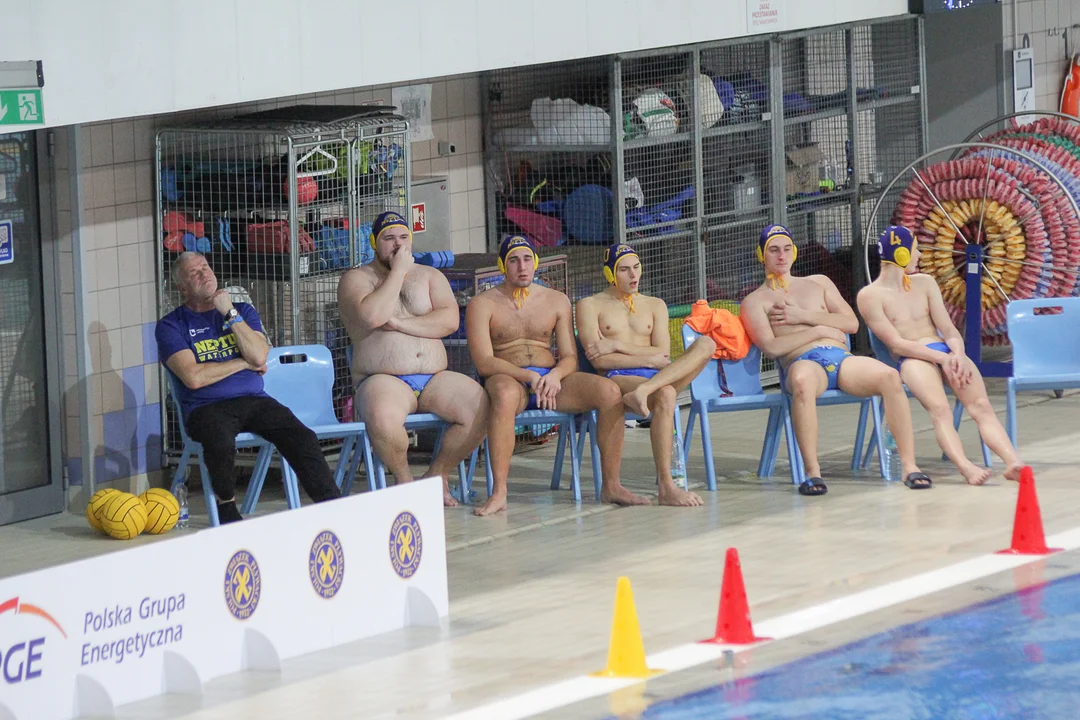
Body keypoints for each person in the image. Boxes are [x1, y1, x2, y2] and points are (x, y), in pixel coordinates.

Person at [465, 235, 650, 515]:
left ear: (536, 262)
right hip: (509, 378)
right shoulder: (483, 303)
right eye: (514, 261)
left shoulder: (556, 300)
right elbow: (485, 363)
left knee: (610, 392)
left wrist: (554, 376)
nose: (522, 267)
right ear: (503, 266)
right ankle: (500, 491)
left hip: (551, 381)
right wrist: (527, 376)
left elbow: (570, 358)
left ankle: (611, 485)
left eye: (527, 259)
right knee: (503, 395)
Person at [740, 225, 932, 496]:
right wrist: (818, 330)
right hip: (804, 362)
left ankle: (909, 466)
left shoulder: (819, 283)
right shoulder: (754, 301)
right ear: (762, 255)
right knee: (802, 382)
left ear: (794, 252)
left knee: (890, 377)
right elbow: (771, 347)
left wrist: (804, 317)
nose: (781, 256)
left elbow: (851, 323)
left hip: (841, 358)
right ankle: (813, 472)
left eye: (786, 249)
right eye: (773, 250)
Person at [156, 251, 341, 523]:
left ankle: (334, 507)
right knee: (219, 441)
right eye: (194, 273)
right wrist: (242, 364)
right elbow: (194, 377)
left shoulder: (241, 311)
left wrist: (229, 313)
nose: (204, 274)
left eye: (206, 267)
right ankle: (227, 508)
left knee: (301, 436)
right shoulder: (171, 325)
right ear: (182, 288)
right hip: (205, 406)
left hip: (254, 399)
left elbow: (258, 356)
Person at [338, 211, 489, 507]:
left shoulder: (430, 276)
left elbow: (448, 321)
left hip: (435, 378)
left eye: (404, 238)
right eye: (389, 238)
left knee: (481, 405)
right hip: (383, 379)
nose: (397, 245)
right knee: (383, 418)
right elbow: (372, 315)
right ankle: (405, 483)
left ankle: (437, 477)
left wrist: (401, 324)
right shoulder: (355, 279)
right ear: (374, 242)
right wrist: (397, 273)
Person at [857, 225, 1023, 485]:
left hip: (944, 351)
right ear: (901, 255)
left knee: (981, 406)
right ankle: (966, 467)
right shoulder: (869, 296)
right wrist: (942, 359)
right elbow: (897, 345)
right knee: (940, 409)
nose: (920, 256)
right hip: (911, 359)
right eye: (915, 250)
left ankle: (1012, 462)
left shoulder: (925, 283)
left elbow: (948, 328)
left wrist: (956, 353)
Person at [575, 243, 711, 507]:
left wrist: (617, 344)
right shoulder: (589, 305)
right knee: (667, 393)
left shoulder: (655, 305)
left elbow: (662, 354)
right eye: (624, 270)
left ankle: (646, 392)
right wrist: (647, 357)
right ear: (609, 273)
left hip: (652, 379)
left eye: (636, 267)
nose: (633, 275)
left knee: (706, 344)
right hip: (618, 378)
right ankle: (666, 486)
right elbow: (599, 360)